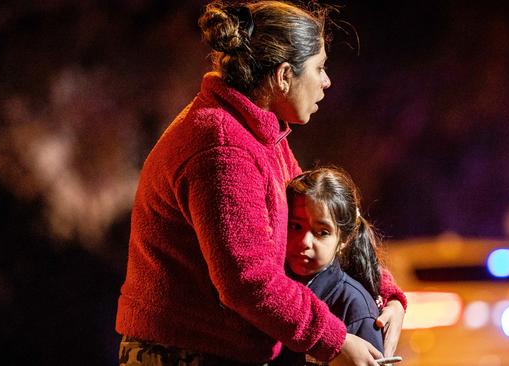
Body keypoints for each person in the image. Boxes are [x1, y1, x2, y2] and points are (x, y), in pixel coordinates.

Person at [116, 1, 407, 365]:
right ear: (285, 75)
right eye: (319, 68)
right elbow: (249, 281)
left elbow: (328, 223)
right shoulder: (223, 148)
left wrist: (388, 296)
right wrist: (332, 342)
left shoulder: (260, 138)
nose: (326, 81)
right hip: (183, 355)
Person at [273, 167, 387, 365]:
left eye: (322, 232)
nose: (305, 242)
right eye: (296, 226)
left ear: (344, 238)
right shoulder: (274, 292)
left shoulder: (354, 306)